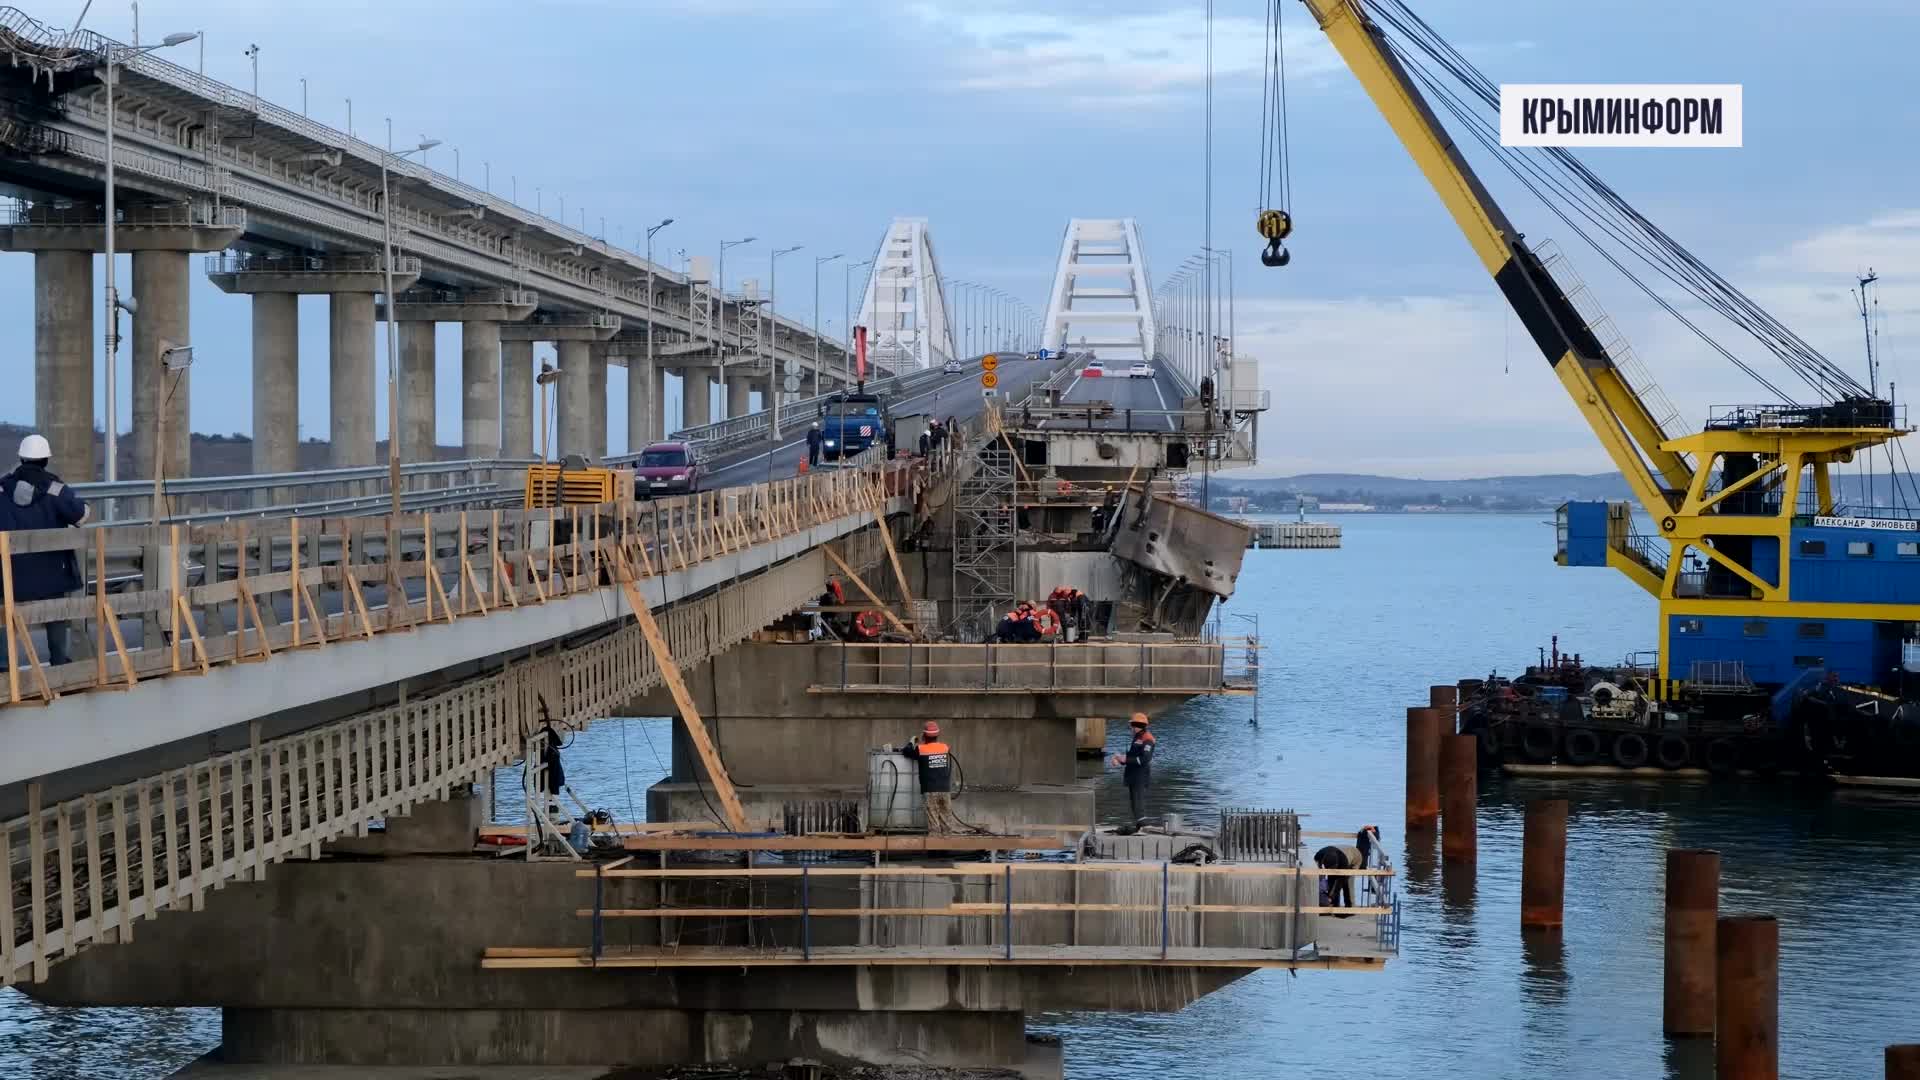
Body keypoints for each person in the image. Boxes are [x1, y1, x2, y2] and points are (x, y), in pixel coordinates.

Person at [0, 434, 88, 668]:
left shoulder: (2, 488)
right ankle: (59, 660)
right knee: (56, 609)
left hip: (12, 575)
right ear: (45, 460)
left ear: (21, 458)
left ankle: (3, 665)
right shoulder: (56, 489)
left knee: (3, 609)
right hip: (51, 574)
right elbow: (81, 516)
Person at [899, 720, 965, 834]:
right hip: (944, 790)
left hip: (930, 791)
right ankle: (945, 850)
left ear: (924, 736)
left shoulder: (920, 749)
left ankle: (934, 850)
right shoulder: (945, 748)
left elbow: (906, 752)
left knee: (934, 825)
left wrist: (911, 742)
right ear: (937, 735)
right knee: (946, 824)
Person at [1108, 713, 1156, 825]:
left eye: (1132, 725)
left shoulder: (1147, 738)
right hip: (1132, 774)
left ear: (1136, 725)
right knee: (1134, 802)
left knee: (1138, 802)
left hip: (1140, 775)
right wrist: (1120, 759)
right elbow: (1132, 756)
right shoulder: (1137, 737)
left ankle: (1144, 826)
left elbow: (1144, 759)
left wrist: (1126, 760)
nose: (1131, 728)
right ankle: (1139, 825)